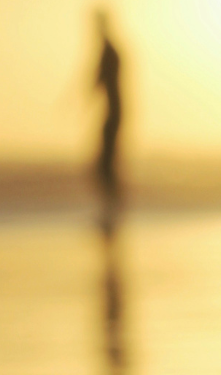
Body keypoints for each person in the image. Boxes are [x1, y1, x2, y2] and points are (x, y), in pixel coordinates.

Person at [93, 9, 123, 235]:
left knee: (105, 163)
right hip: (114, 111)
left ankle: (112, 208)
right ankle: (111, 206)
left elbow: (99, 79)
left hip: (114, 112)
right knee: (106, 162)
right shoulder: (109, 49)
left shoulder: (109, 50)